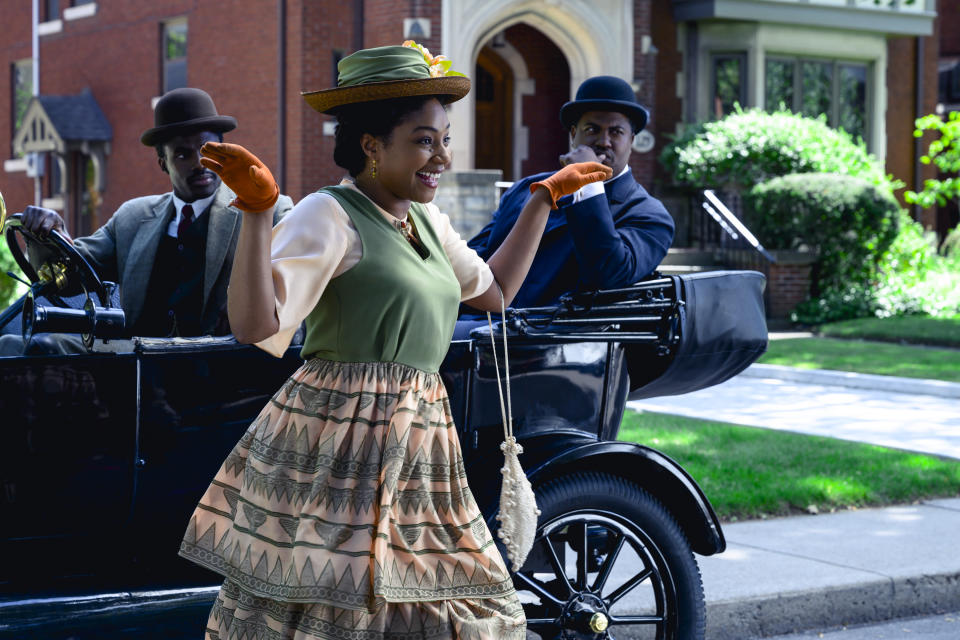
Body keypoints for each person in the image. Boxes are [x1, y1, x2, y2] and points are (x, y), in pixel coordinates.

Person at [178, 42, 611, 640]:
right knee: (343, 607)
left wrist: (541, 199)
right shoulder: (327, 214)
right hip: (341, 441)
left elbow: (497, 291)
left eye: (445, 139)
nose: (441, 156)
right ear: (372, 145)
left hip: (422, 441)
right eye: (424, 139)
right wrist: (256, 214)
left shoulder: (426, 221)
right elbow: (255, 326)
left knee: (444, 601)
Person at [3, 87, 293, 347]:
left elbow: (290, 314)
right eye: (182, 154)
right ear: (162, 164)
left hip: (220, 374)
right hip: (134, 366)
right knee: (21, 347)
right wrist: (45, 234)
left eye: (209, 151)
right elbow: (67, 277)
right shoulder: (132, 218)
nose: (199, 163)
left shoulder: (265, 210)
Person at [466, 75, 675, 311]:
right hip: (484, 329)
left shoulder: (649, 214)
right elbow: (474, 261)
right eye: (592, 129)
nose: (604, 141)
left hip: (561, 339)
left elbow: (609, 274)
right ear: (573, 135)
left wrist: (589, 185)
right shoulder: (527, 190)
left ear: (631, 140)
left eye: (616, 132)